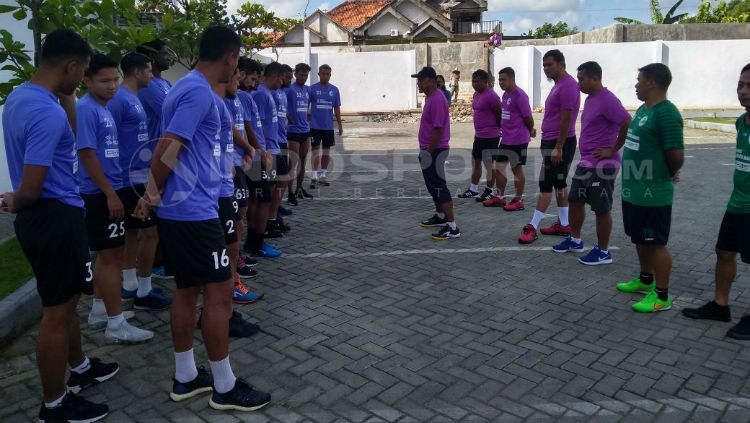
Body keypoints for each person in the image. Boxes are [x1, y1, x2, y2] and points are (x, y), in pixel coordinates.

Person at [133, 26, 271, 411]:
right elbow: (169, 145)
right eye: (237, 61)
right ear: (230, 57)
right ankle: (224, 386)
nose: (237, 71)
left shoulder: (186, 87)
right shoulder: (196, 91)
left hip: (187, 209)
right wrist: (150, 194)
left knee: (187, 290)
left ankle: (186, 376)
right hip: (193, 211)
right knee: (219, 293)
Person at [2, 28, 115, 422]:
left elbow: (65, 135)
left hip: (49, 217)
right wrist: (14, 198)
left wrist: (66, 93)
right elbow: (30, 188)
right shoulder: (44, 111)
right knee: (57, 313)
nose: (82, 80)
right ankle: (55, 404)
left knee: (65, 306)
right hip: (53, 217)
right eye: (81, 71)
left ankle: (80, 369)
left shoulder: (21, 97)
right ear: (70, 66)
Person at [77, 53, 154, 343]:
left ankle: (100, 310)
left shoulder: (104, 108)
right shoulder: (87, 109)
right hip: (99, 193)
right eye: (104, 81)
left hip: (113, 186)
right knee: (109, 258)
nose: (112, 86)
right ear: (87, 80)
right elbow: (86, 154)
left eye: (115, 79)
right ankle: (115, 323)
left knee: (110, 255)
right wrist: (110, 193)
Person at [682, 63, 750, 337]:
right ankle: (720, 305)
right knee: (724, 252)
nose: (743, 92)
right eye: (740, 85)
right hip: (737, 203)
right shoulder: (740, 122)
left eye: (749, 86)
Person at [615, 63, 684, 313]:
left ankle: (662, 296)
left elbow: (676, 155)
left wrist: (668, 172)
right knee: (640, 238)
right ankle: (646, 281)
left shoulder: (666, 113)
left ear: (652, 83)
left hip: (653, 194)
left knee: (656, 242)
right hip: (635, 191)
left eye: (639, 80)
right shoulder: (644, 109)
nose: (636, 85)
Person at [551, 61, 631, 265]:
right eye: (578, 79)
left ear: (595, 78)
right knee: (575, 200)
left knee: (601, 209)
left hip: (603, 166)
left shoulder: (608, 99)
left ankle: (603, 252)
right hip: (586, 163)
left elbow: (626, 122)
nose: (579, 84)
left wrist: (613, 149)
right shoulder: (590, 99)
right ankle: (575, 240)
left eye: (582, 79)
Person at [109, 52, 172, 310]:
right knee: (149, 233)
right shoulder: (119, 100)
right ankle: (140, 290)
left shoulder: (133, 98)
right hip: (129, 178)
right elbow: (109, 141)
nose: (150, 75)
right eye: (147, 71)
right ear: (136, 72)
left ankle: (133, 286)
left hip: (139, 173)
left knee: (136, 234)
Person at [518, 50, 581, 244]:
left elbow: (567, 117)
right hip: (553, 142)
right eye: (544, 65)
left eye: (549, 65)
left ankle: (532, 226)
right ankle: (564, 224)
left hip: (558, 143)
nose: (546, 69)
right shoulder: (559, 85)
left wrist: (559, 147)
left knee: (545, 183)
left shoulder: (568, 85)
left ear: (561, 64)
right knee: (559, 184)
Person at [220, 69, 263, 303]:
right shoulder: (212, 100)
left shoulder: (234, 99)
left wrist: (249, 149)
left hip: (236, 168)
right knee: (233, 227)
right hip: (226, 173)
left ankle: (235, 270)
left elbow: (235, 129)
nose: (239, 83)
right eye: (236, 78)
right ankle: (232, 282)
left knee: (241, 215)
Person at [136, 39, 173, 279]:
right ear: (152, 56)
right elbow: (171, 110)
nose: (169, 56)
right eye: (164, 52)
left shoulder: (167, 82)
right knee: (155, 212)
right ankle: (155, 264)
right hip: (154, 154)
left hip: (169, 153)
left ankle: (164, 259)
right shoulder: (148, 86)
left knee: (166, 207)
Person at [413, 67, 460, 240]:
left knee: (439, 186)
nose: (418, 83)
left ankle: (452, 227)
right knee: (433, 186)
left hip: (435, 150)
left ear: (430, 81)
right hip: (429, 149)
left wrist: (428, 152)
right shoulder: (430, 98)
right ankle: (440, 217)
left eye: (420, 80)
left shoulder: (437, 99)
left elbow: (438, 129)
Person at [483, 67, 535, 211]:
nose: (501, 82)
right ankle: (500, 197)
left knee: (516, 169)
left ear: (512, 79)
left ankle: (519, 200)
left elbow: (528, 118)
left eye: (503, 79)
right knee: (498, 167)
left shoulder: (520, 96)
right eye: (499, 80)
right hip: (506, 139)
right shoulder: (505, 95)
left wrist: (530, 130)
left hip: (518, 139)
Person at [248, 62, 286, 258]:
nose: (282, 81)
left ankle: (256, 238)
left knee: (262, 195)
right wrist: (263, 152)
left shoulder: (266, 93)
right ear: (274, 76)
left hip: (268, 151)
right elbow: (256, 128)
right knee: (262, 196)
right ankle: (256, 240)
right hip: (265, 153)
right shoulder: (261, 94)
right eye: (281, 77)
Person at [458, 69, 500, 201]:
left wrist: (498, 129)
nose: (474, 84)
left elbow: (499, 114)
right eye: (473, 81)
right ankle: (473, 189)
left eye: (477, 81)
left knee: (489, 165)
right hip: (479, 135)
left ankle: (489, 190)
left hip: (491, 136)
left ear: (484, 81)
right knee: (476, 162)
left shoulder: (492, 96)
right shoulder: (476, 94)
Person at [267, 64, 293, 236]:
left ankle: (275, 213)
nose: (287, 80)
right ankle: (271, 218)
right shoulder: (269, 94)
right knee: (274, 183)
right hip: (273, 144)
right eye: (285, 77)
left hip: (281, 141)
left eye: (288, 77)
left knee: (282, 179)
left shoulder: (282, 93)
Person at [309, 64, 342, 188]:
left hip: (328, 127)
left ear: (330, 75)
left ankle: (323, 175)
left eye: (328, 74)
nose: (326, 76)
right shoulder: (311, 89)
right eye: (323, 74)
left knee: (326, 153)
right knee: (315, 152)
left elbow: (337, 108)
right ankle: (314, 176)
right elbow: (305, 107)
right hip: (315, 127)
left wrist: (339, 124)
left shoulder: (334, 90)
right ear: (319, 74)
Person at [287, 63, 313, 202]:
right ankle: (290, 192)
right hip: (293, 131)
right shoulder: (289, 89)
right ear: (295, 74)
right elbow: (280, 103)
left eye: (305, 75)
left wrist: (309, 117)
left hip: (305, 131)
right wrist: (286, 115)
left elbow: (308, 108)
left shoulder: (307, 90)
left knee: (303, 162)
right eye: (301, 74)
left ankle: (299, 189)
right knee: (293, 162)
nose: (303, 77)